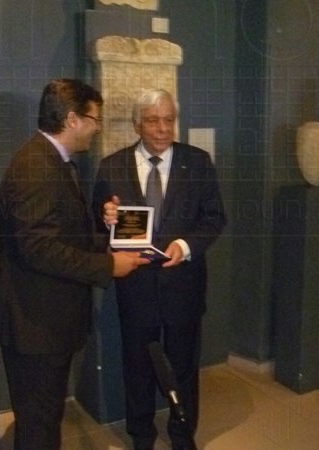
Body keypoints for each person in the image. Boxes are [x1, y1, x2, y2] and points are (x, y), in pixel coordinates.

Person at [0, 79, 150, 450]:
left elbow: (62, 235)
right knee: (39, 425)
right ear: (73, 119)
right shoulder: (36, 167)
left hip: (45, 324)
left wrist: (106, 229)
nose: (98, 128)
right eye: (95, 119)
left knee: (44, 419)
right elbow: (39, 248)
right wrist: (107, 266)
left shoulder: (52, 162)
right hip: (36, 327)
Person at [93, 88, 226, 450]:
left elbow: (215, 218)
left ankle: (182, 434)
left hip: (184, 285)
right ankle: (141, 435)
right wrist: (106, 220)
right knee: (137, 366)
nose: (163, 129)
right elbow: (96, 225)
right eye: (153, 121)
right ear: (137, 124)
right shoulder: (111, 166)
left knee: (184, 367)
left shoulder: (197, 162)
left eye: (169, 120)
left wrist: (185, 247)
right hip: (135, 287)